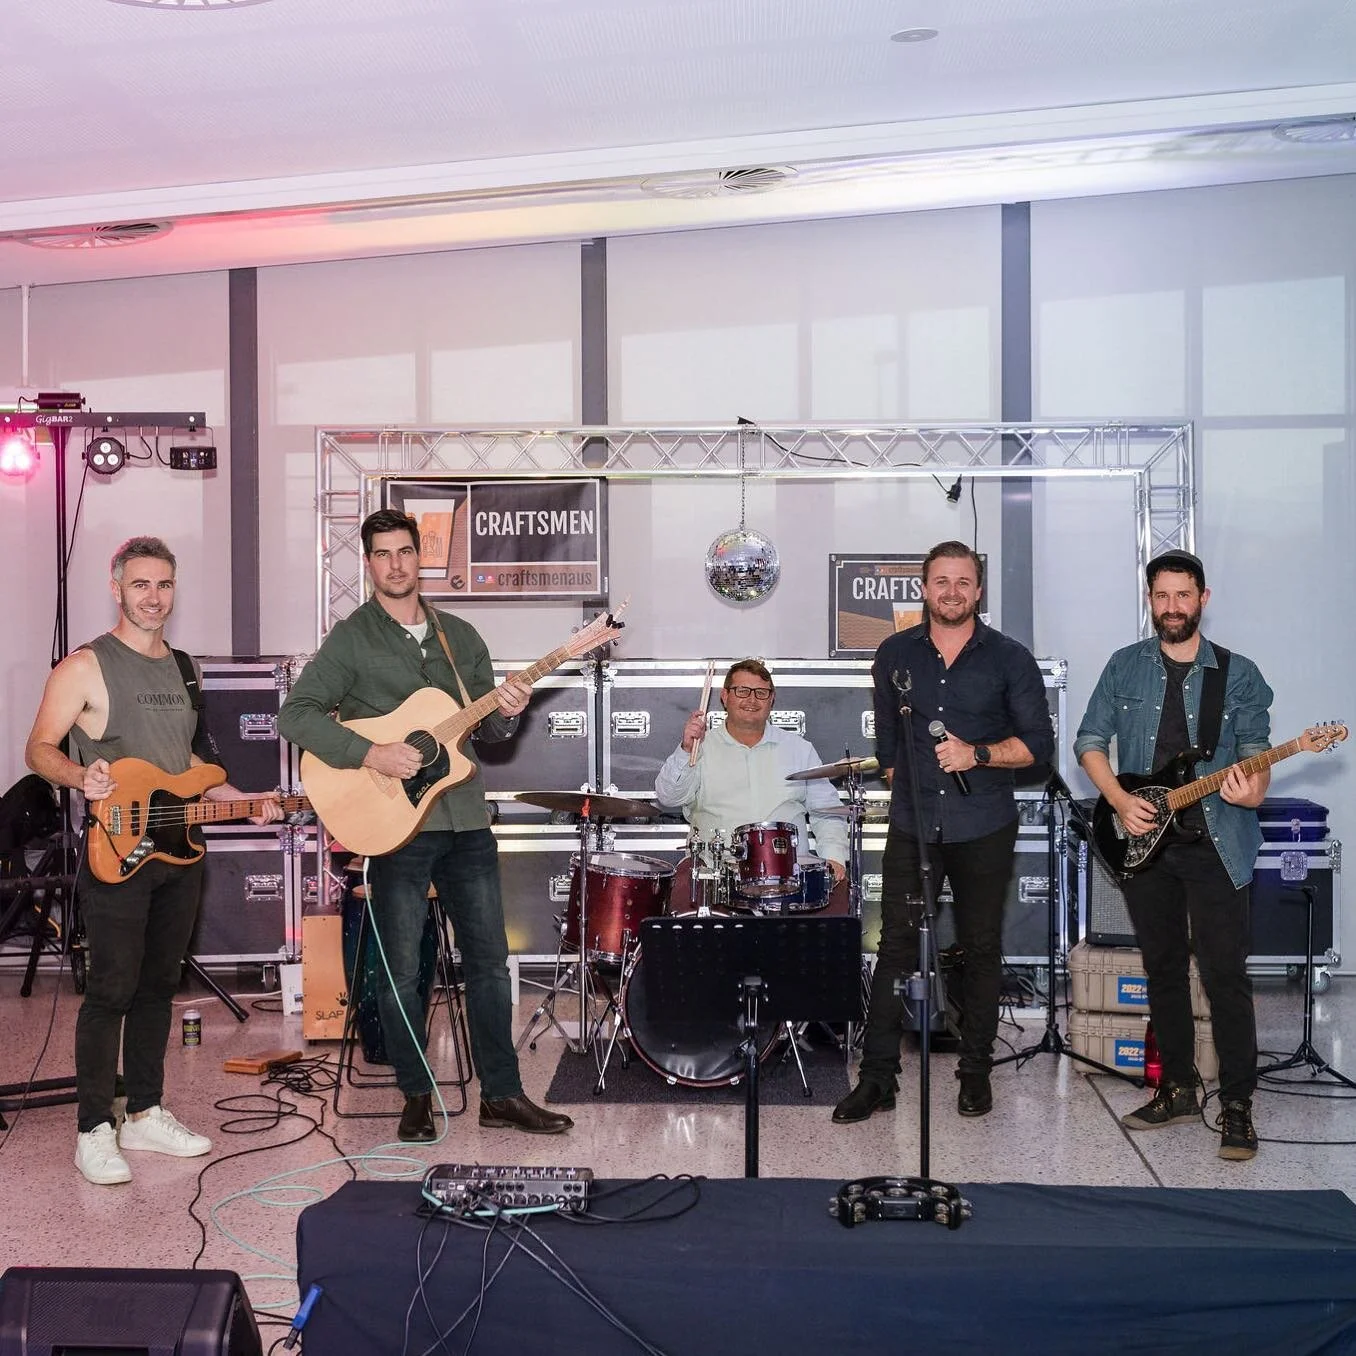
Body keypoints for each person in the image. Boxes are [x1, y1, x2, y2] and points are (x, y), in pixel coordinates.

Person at [278, 508, 571, 1140]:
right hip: (393, 830)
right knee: (401, 970)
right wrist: (370, 753)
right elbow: (295, 715)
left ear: (420, 557)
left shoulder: (460, 637)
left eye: (405, 551)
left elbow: (486, 734)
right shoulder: (352, 638)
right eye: (382, 554)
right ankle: (415, 1093)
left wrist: (509, 711)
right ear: (369, 564)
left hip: (465, 821)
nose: (396, 564)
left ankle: (503, 1094)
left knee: (491, 963)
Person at [25, 536, 283, 1187]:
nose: (153, 597)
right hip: (117, 850)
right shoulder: (84, 665)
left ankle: (142, 1111)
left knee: (158, 988)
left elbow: (193, 769)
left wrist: (249, 802)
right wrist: (80, 777)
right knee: (110, 988)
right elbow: (38, 749)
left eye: (163, 585)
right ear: (116, 588)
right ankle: (92, 1129)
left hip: (180, 852)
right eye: (140, 584)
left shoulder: (185, 669)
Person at [833, 541, 1053, 1123]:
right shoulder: (894, 655)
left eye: (963, 581)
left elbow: (1039, 750)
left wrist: (976, 754)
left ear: (978, 591)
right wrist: (913, 791)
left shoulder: (1010, 658)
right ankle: (879, 1077)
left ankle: (974, 1073)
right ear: (924, 589)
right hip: (913, 828)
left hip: (985, 826)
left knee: (982, 950)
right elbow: (889, 752)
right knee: (895, 948)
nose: (951, 591)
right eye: (940, 581)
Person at [1075, 549, 1270, 1161]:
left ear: (1203, 598)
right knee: (1161, 970)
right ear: (1150, 599)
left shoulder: (1236, 674)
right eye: (1162, 596)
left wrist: (1251, 789)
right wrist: (1118, 800)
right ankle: (1179, 1087)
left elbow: (1256, 756)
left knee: (1224, 976)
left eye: (1183, 596)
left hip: (1216, 842)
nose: (1172, 608)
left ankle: (1236, 1103)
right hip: (1146, 843)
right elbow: (1089, 741)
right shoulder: (1123, 666)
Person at [654, 659, 850, 888]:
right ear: (725, 696)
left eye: (761, 693)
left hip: (788, 880)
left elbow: (826, 810)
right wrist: (686, 750)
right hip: (715, 877)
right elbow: (668, 797)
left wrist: (834, 857)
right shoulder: (701, 747)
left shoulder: (799, 749)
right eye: (742, 691)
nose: (752, 699)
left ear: (772, 699)